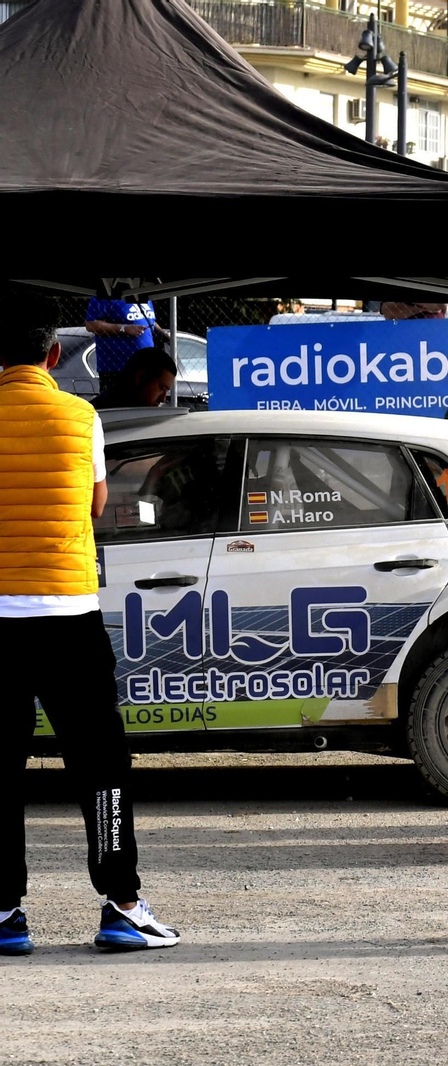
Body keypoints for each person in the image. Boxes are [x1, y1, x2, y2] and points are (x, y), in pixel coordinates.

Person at [0, 288, 180, 956]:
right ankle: (122, 906)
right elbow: (96, 504)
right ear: (53, 354)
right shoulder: (81, 418)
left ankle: (4, 913)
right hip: (68, 615)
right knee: (100, 762)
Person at [84, 294, 166, 400]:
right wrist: (124, 328)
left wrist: (164, 333)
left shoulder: (142, 294)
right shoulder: (105, 295)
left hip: (146, 368)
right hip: (117, 369)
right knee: (118, 407)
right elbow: (91, 324)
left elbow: (149, 320)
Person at [92, 344, 176, 410]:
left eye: (166, 391)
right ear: (141, 378)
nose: (163, 399)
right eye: (161, 388)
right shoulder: (96, 415)